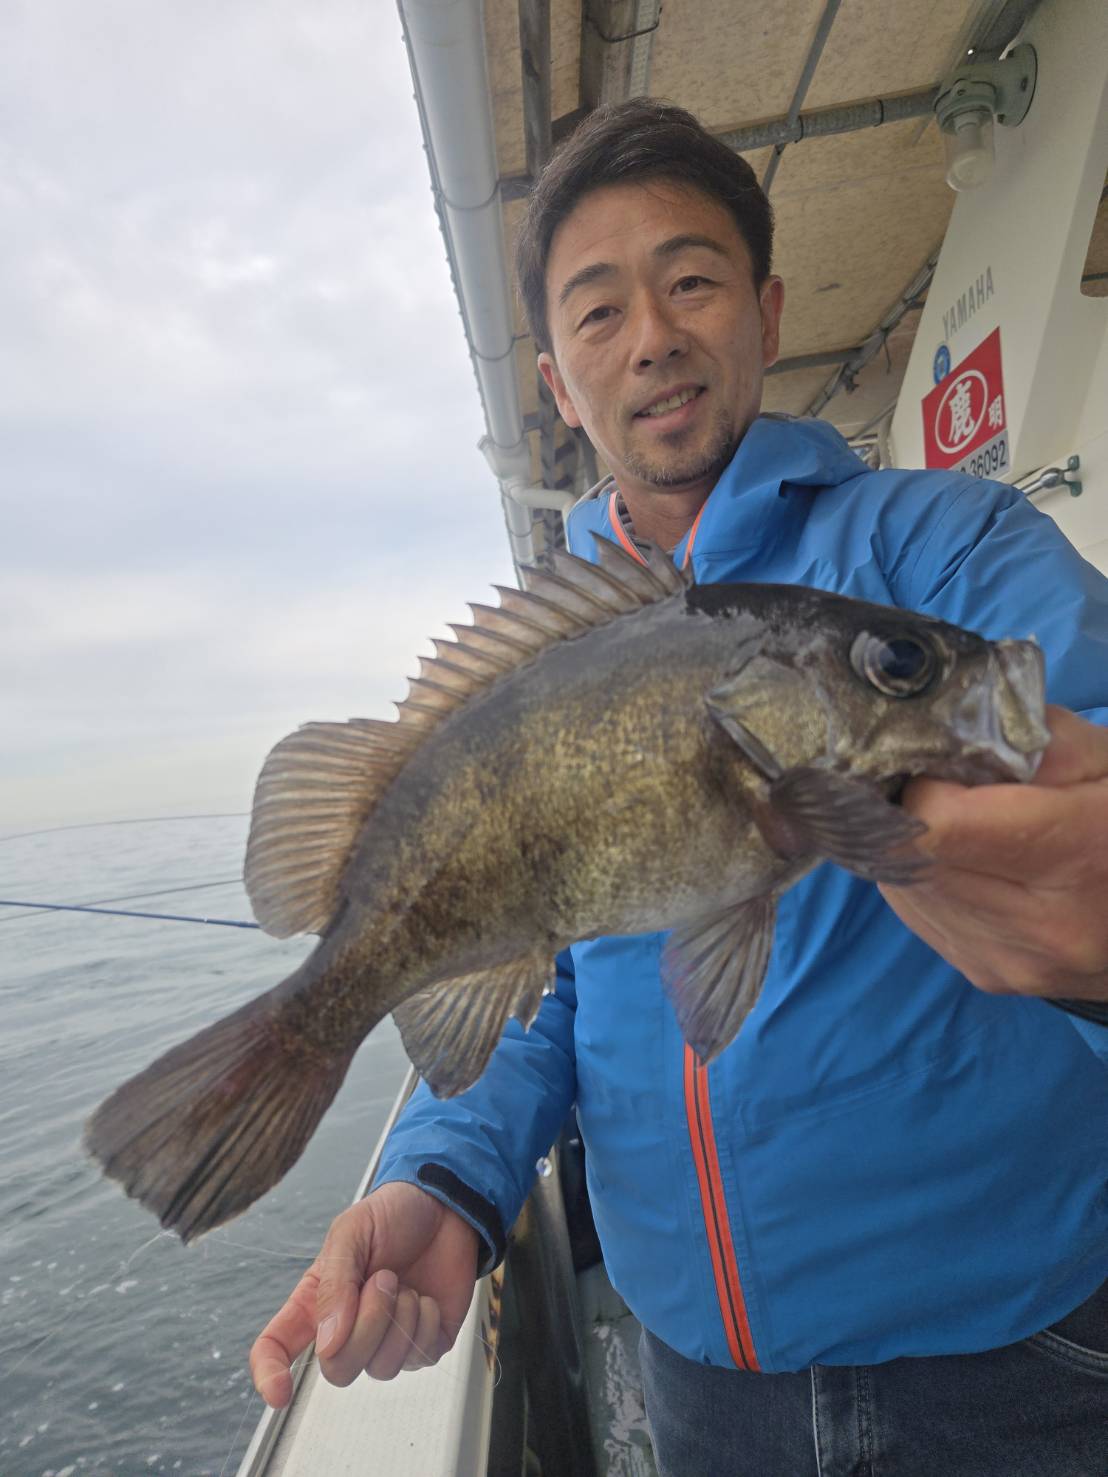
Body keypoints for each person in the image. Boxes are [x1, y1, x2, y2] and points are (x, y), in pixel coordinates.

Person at [250, 100, 1108, 1474]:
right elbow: (553, 980)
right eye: (600, 310)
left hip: (1012, 1362)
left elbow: (1075, 740)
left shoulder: (946, 547)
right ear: (557, 380)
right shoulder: (556, 662)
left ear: (765, 312)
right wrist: (447, 1177)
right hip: (704, 1386)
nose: (651, 335)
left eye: (693, 281)